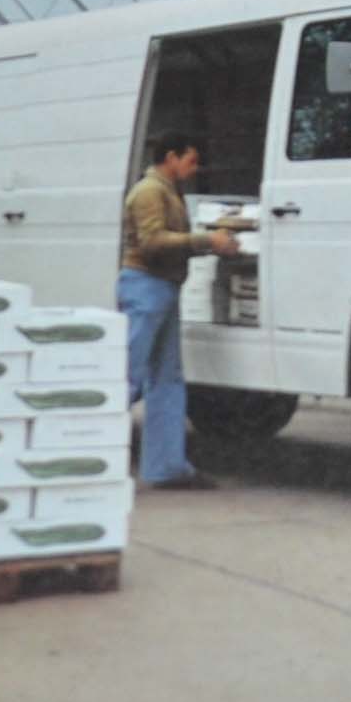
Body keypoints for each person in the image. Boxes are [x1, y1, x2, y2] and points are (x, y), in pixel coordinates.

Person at [117, 131, 240, 490]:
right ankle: (85, 454)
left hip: (163, 288)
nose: (194, 167)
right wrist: (207, 241)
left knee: (166, 379)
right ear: (171, 157)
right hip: (146, 288)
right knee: (127, 377)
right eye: (191, 159)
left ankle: (167, 466)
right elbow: (152, 241)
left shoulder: (168, 191)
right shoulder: (149, 192)